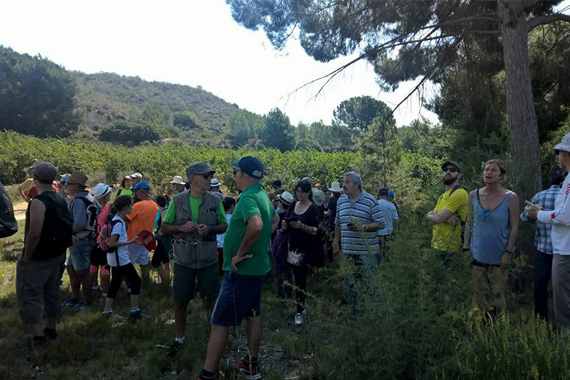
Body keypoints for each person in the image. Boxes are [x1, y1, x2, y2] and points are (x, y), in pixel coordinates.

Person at [197, 156, 279, 380]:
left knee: (219, 322)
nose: (234, 175)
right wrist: (261, 244)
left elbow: (257, 224)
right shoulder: (263, 195)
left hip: (242, 271)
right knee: (253, 315)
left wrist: (240, 253)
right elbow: (275, 221)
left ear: (243, 174)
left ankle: (207, 374)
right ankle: (252, 365)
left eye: (236, 172)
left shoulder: (248, 198)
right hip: (257, 268)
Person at [161, 162, 228, 357]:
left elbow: (224, 225)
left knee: (211, 300)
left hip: (208, 259)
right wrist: (181, 228)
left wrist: (211, 229)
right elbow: (165, 227)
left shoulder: (215, 200)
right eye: (206, 175)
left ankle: (214, 338)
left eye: (210, 176)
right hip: (184, 259)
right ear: (192, 179)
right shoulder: (178, 200)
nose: (209, 179)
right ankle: (179, 339)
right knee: (181, 301)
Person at [16, 162, 72, 348]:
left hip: (39, 256)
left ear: (36, 179)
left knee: (30, 293)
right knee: (52, 290)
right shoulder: (61, 199)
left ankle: (38, 336)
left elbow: (34, 233)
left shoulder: (38, 202)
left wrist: (26, 257)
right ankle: (51, 327)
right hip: (57, 254)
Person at [463, 159, 519, 317]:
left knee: (498, 293)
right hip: (477, 252)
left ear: (501, 176)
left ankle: (499, 325)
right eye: (486, 170)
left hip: (500, 254)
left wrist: (508, 252)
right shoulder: (473, 195)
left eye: (493, 170)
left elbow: (515, 226)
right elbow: (469, 222)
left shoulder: (511, 197)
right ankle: (478, 325)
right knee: (477, 292)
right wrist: (466, 247)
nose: (488, 172)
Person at [526, 133, 570, 333]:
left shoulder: (566, 182)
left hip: (559, 250)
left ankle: (555, 336)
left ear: (565, 154)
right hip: (560, 248)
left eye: (561, 151)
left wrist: (538, 213)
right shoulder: (567, 181)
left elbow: (563, 216)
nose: (559, 155)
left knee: (556, 296)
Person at [521, 166, 567, 320]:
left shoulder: (539, 196)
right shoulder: (566, 198)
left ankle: (541, 318)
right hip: (564, 250)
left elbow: (524, 218)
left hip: (544, 249)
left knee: (541, 285)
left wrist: (535, 213)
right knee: (564, 288)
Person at [334, 172, 384, 306]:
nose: (344, 185)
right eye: (343, 182)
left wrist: (362, 227)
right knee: (351, 284)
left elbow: (380, 223)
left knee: (370, 285)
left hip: (367, 253)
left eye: (347, 182)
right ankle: (355, 315)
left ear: (357, 185)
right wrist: (335, 243)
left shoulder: (370, 200)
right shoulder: (341, 200)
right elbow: (337, 223)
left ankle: (372, 317)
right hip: (347, 251)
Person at [102, 195, 147, 320]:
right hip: (120, 259)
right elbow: (112, 243)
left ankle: (107, 310)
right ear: (126, 207)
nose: (132, 207)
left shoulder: (116, 220)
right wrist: (130, 242)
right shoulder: (119, 223)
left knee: (115, 283)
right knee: (136, 282)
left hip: (115, 258)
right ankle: (134, 311)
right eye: (131, 205)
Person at [282, 180, 320, 325]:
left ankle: (299, 310)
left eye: (302, 191)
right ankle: (300, 306)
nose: (299, 194)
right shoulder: (293, 205)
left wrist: (302, 226)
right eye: (297, 191)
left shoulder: (313, 209)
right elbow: (287, 219)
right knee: (293, 277)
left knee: (300, 279)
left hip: (305, 249)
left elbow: (318, 230)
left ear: (308, 192)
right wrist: (286, 224)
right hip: (291, 246)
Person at [65, 170, 100, 308]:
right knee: (71, 269)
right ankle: (75, 297)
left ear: (76, 186)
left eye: (69, 183)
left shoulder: (79, 201)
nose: (66, 185)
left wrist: (64, 229)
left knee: (83, 272)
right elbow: (100, 210)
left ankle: (87, 301)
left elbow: (79, 223)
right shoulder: (90, 197)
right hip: (87, 240)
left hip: (80, 242)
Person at [427, 161, 469, 257]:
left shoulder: (459, 193)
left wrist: (432, 216)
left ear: (459, 175)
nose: (448, 172)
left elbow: (437, 219)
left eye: (453, 170)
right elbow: (432, 222)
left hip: (451, 248)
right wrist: (437, 217)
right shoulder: (443, 196)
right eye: (445, 170)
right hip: (437, 245)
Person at [125, 181, 158, 284]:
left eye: (136, 191)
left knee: (127, 264)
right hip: (146, 239)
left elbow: (126, 218)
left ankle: (128, 284)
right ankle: (146, 283)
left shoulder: (138, 205)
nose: (135, 194)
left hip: (134, 239)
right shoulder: (154, 205)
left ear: (142, 191)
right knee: (144, 263)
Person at [89, 183, 113, 298]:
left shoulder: (92, 206)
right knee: (105, 267)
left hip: (94, 240)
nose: (110, 195)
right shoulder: (108, 208)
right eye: (108, 193)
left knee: (93, 266)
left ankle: (91, 288)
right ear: (104, 196)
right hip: (104, 241)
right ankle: (105, 293)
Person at [152, 195, 172, 284]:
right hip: (161, 239)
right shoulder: (160, 211)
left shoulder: (164, 212)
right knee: (165, 260)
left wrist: (161, 232)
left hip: (163, 239)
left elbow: (165, 227)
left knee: (155, 261)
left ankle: (165, 280)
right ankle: (167, 280)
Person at [217, 197, 236, 275]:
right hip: (228, 248)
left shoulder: (218, 218)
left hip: (217, 247)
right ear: (232, 206)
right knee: (228, 270)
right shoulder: (233, 219)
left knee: (219, 270)